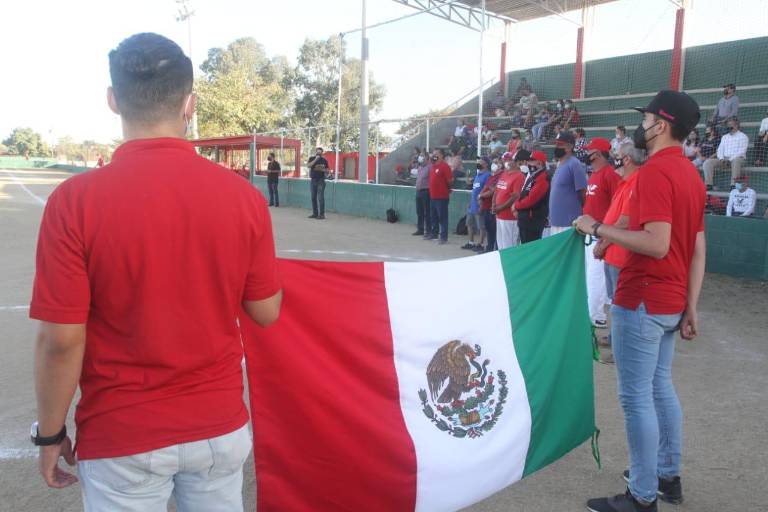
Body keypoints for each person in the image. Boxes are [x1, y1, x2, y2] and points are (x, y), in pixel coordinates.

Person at [29, 33, 282, 511]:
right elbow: (265, 312)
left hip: (123, 433)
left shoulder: (73, 202)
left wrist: (50, 434)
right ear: (189, 104)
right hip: (218, 427)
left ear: (112, 100)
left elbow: (60, 340)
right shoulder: (244, 199)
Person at [576, 90, 706, 512]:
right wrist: (691, 305)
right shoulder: (690, 173)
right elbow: (696, 247)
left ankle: (643, 494)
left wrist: (597, 228)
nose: (642, 125)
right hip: (669, 300)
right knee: (660, 389)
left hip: (645, 296)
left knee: (636, 398)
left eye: (647, 118)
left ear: (662, 125)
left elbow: (655, 242)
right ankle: (667, 477)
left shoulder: (654, 172)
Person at [583, 137, 623, 327]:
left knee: (596, 277)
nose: (586, 153)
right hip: (591, 233)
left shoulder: (610, 175)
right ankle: (593, 312)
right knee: (591, 276)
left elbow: (620, 209)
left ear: (597, 154)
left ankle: (596, 315)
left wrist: (607, 237)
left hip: (602, 234)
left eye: (589, 150)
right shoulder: (595, 174)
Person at [549, 131, 588, 235]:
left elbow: (583, 193)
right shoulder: (559, 164)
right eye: (556, 144)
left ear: (570, 146)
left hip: (569, 223)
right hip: (555, 222)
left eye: (560, 144)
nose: (557, 147)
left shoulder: (575, 164)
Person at [513, 150, 550, 244]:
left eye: (531, 161)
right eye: (528, 161)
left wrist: (516, 206)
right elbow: (524, 193)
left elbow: (530, 200)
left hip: (533, 222)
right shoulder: (534, 176)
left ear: (539, 163)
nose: (528, 163)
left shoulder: (542, 178)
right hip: (526, 220)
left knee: (531, 250)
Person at [702, 117, 748, 190]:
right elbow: (720, 150)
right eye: (728, 125)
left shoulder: (743, 136)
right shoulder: (724, 137)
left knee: (736, 160)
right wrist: (721, 159)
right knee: (707, 162)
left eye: (731, 125)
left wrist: (730, 159)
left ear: (736, 126)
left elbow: (741, 151)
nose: (728, 126)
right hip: (724, 160)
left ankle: (733, 185)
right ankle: (708, 184)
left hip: (738, 159)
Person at [493, 150, 527, 249]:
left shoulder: (519, 176)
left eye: (509, 159)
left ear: (515, 161)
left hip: (510, 216)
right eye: (505, 160)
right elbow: (497, 190)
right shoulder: (504, 174)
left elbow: (515, 196)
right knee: (501, 245)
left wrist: (500, 208)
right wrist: (493, 204)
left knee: (509, 246)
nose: (506, 162)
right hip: (499, 215)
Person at [463, 156, 491, 252]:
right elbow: (470, 185)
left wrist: (481, 204)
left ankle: (481, 244)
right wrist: (467, 175)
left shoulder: (488, 175)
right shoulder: (478, 175)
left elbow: (488, 190)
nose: (478, 163)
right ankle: (471, 242)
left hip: (481, 205)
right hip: (473, 205)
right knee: (469, 224)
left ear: (486, 164)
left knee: (481, 227)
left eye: (481, 161)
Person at [427, 148, 453, 245]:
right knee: (433, 216)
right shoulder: (433, 166)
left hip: (442, 196)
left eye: (436, 153)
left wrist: (448, 188)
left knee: (442, 217)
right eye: (433, 153)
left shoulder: (445, 166)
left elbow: (450, 180)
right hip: (433, 196)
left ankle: (443, 237)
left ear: (441, 155)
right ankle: (434, 234)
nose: (434, 155)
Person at [478, 156, 503, 251]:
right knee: (489, 230)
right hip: (485, 207)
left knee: (494, 231)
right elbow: (485, 188)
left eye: (496, 162)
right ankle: (489, 248)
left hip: (493, 207)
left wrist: (481, 196)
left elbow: (493, 191)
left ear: (500, 165)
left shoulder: (501, 176)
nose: (494, 164)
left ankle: (494, 250)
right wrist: (481, 196)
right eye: (493, 162)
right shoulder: (491, 176)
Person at [413, 153, 432, 236]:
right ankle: (420, 229)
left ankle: (428, 230)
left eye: (422, 156)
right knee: (419, 211)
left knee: (427, 212)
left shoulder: (430, 167)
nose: (420, 157)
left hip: (426, 191)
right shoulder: (420, 167)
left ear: (427, 158)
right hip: (419, 191)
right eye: (420, 155)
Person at [308, 147, 329, 219]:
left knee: (320, 198)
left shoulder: (324, 160)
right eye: (317, 152)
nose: (318, 154)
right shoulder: (311, 158)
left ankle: (322, 214)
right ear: (315, 152)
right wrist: (316, 159)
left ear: (322, 153)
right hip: (313, 180)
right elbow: (309, 165)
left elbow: (327, 171)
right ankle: (315, 213)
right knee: (313, 197)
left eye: (320, 153)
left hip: (321, 180)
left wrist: (324, 170)